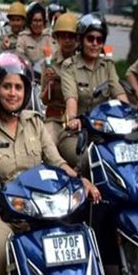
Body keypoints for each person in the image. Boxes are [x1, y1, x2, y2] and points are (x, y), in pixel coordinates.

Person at [0, 52, 101, 275]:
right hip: (0, 213)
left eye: (18, 87)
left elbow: (57, 162)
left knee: (77, 241)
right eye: (7, 87)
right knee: (3, 253)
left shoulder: (35, 123)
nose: (13, 93)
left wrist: (82, 180)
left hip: (41, 210)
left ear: (26, 91)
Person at [61, 13, 129, 132]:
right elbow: (71, 98)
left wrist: (129, 113)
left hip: (106, 128)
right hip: (79, 129)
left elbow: (118, 93)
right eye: (90, 38)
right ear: (81, 40)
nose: (95, 44)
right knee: (79, 151)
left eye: (99, 40)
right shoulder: (69, 66)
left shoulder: (108, 65)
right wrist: (72, 119)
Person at [40, 13, 79, 164]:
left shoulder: (82, 61)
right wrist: (49, 83)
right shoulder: (50, 62)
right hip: (55, 118)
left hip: (78, 119)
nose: (68, 41)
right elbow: (44, 100)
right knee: (46, 147)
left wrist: (61, 79)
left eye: (71, 36)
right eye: (63, 37)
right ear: (57, 38)